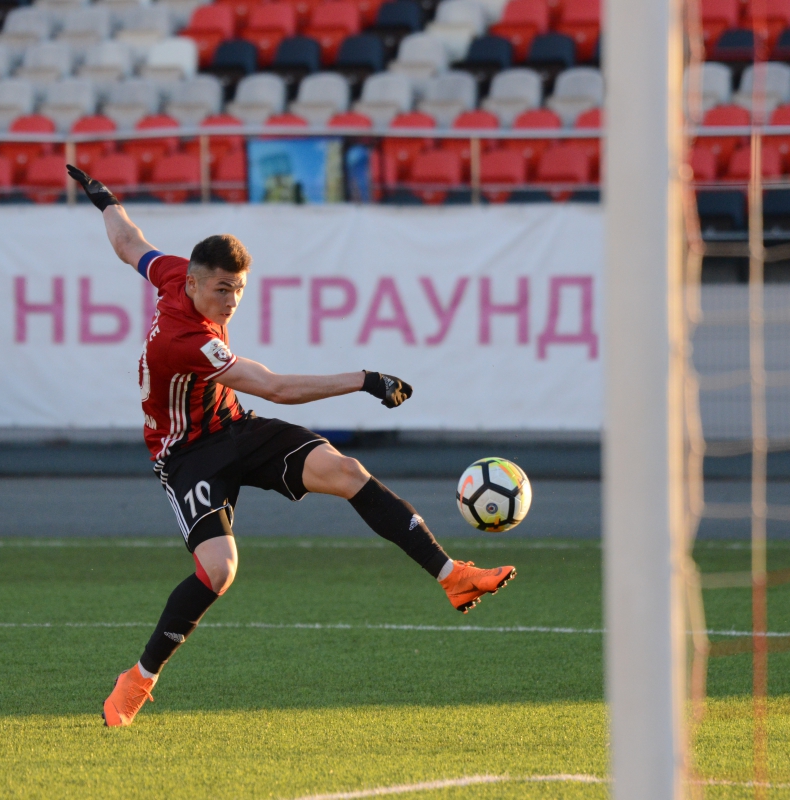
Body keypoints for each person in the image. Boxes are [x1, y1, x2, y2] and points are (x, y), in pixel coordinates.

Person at [66, 166, 516, 728]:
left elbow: (129, 243)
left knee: (346, 471)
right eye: (223, 289)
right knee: (220, 571)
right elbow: (276, 388)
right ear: (194, 285)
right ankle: (138, 679)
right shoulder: (188, 341)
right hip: (186, 454)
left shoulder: (174, 272)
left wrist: (104, 198)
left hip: (233, 426)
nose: (232, 301)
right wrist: (364, 379)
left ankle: (452, 576)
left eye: (239, 289)